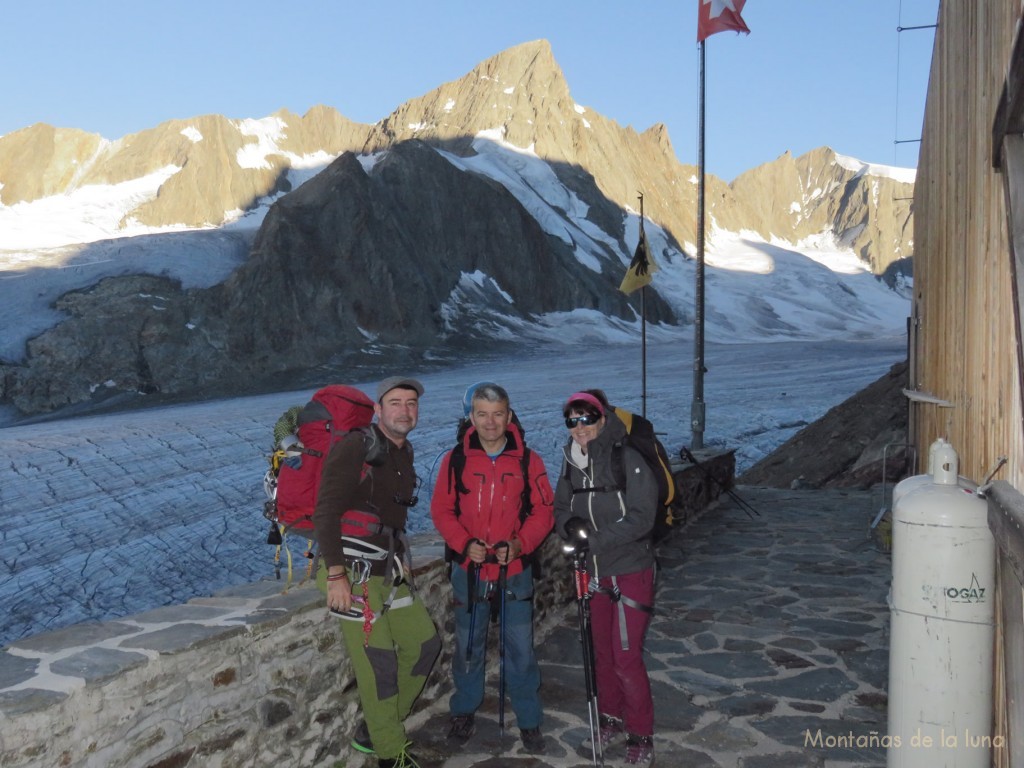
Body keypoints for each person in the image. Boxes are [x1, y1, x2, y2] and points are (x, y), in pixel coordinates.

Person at [313, 376, 441, 768]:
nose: (405, 410)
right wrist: (335, 574)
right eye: (396, 402)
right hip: (351, 571)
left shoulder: (404, 451)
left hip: (388, 569)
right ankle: (390, 752)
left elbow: (390, 519)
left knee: (424, 645)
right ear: (379, 409)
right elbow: (326, 510)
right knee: (380, 663)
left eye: (412, 403)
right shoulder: (357, 445)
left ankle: (375, 730)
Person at [430, 382, 554, 754]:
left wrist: (519, 544)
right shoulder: (456, 460)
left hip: (514, 570)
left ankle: (529, 719)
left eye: (497, 413)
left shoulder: (530, 461)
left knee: (519, 647)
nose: (490, 422)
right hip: (470, 571)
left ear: (509, 414)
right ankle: (464, 709)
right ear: (471, 417)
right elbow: (441, 510)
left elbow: (544, 511)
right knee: (468, 646)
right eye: (482, 414)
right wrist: (464, 543)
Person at [553, 390, 657, 767]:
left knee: (626, 658)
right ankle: (610, 720)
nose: (579, 427)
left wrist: (593, 541)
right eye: (572, 420)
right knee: (601, 655)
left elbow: (643, 516)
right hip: (592, 573)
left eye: (586, 418)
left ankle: (641, 735)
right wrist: (570, 527)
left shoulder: (626, 457)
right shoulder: (570, 463)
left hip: (630, 570)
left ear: (601, 419)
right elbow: (560, 507)